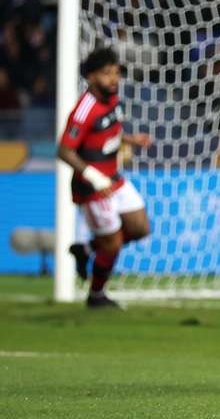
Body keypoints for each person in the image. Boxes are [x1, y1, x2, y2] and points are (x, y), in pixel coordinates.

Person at [57, 48, 152, 308]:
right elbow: (64, 150)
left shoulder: (111, 99)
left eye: (116, 73)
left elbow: (107, 130)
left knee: (140, 227)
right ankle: (96, 295)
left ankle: (87, 250)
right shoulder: (83, 110)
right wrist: (95, 178)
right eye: (106, 73)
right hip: (93, 187)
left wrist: (131, 139)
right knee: (113, 244)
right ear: (90, 76)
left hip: (114, 178)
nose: (113, 79)